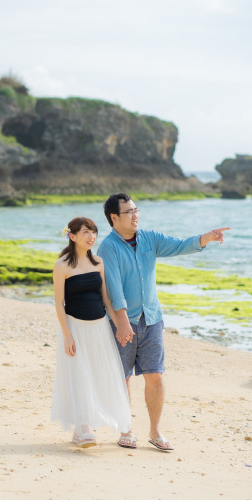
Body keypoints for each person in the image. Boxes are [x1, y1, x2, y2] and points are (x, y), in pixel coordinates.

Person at [97, 193, 229, 452]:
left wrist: (205, 238)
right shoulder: (108, 247)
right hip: (123, 321)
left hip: (152, 318)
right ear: (114, 217)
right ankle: (125, 429)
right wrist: (122, 322)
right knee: (123, 377)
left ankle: (155, 431)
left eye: (136, 210)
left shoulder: (150, 238)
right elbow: (113, 288)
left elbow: (179, 245)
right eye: (129, 212)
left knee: (155, 375)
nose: (135, 215)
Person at [51, 217, 131, 448]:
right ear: (72, 236)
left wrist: (119, 325)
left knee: (98, 375)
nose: (91, 237)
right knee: (78, 376)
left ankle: (85, 430)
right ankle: (83, 429)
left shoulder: (98, 262)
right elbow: (58, 303)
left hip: (99, 328)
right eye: (86, 232)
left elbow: (105, 298)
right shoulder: (62, 265)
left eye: (94, 232)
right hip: (75, 327)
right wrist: (67, 335)